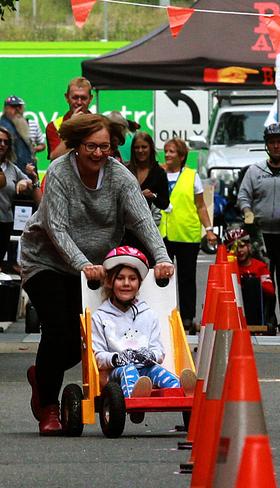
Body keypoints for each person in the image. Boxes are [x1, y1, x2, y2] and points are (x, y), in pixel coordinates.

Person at [21, 114, 175, 436]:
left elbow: (143, 222)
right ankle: (48, 406)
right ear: (77, 145)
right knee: (58, 331)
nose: (98, 154)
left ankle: (43, 374)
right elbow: (56, 228)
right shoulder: (61, 173)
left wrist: (161, 258)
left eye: (105, 147)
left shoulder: (120, 177)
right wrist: (83, 264)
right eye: (91, 146)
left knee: (78, 343)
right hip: (46, 261)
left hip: (89, 269)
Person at [92, 246, 195, 400]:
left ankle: (181, 390)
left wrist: (151, 354)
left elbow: (158, 350)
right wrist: (116, 358)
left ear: (139, 283)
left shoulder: (148, 314)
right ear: (110, 282)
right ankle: (135, 396)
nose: (126, 283)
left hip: (146, 368)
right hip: (117, 372)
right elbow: (98, 356)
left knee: (158, 371)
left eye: (132, 279)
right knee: (128, 370)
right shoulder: (100, 317)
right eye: (120, 278)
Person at [238, 124, 280, 330]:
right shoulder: (254, 171)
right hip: (261, 236)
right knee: (264, 281)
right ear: (266, 145)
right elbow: (243, 196)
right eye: (272, 142)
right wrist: (247, 212)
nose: (276, 146)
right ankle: (267, 319)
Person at [159, 137, 218, 332]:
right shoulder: (158, 173)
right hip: (162, 234)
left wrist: (209, 230)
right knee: (161, 278)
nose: (167, 155)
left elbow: (200, 206)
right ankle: (163, 315)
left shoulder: (192, 176)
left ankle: (187, 317)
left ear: (182, 156)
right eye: (166, 151)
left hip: (187, 234)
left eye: (172, 152)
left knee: (186, 278)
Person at [123, 131, 169, 263]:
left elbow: (164, 203)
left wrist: (153, 196)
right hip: (126, 231)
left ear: (150, 148)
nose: (140, 151)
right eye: (137, 147)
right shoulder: (125, 170)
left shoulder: (159, 173)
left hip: (148, 231)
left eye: (144, 147)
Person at [0, 127, 37, 270]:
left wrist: (25, 181)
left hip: (4, 223)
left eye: (6, 142)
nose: (2, 144)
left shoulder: (12, 168)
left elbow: (28, 182)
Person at [225, 227, 276, 324]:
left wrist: (252, 283)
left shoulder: (260, 266)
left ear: (249, 246)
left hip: (255, 304)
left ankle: (263, 320)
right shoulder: (228, 267)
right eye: (234, 248)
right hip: (234, 306)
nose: (239, 251)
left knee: (253, 283)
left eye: (242, 246)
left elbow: (270, 291)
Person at [46, 76, 94, 161]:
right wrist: (72, 127)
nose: (79, 102)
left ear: (90, 99)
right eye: (75, 98)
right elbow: (55, 157)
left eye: (83, 98)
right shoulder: (54, 126)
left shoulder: (99, 124)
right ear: (67, 98)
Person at [0, 95, 36, 173]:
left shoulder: (21, 123)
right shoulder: (3, 127)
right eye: (13, 107)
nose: (17, 110)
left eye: (19, 107)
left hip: (24, 171)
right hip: (12, 172)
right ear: (6, 109)